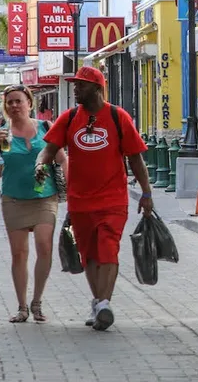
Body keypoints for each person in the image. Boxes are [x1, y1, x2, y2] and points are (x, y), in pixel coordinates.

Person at [38, 66, 153, 331]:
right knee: (88, 253)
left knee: (108, 248)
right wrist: (40, 165)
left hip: (113, 199)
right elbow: (48, 150)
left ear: (97, 88)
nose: (76, 89)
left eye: (81, 85)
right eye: (75, 85)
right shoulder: (68, 118)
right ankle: (100, 302)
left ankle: (104, 304)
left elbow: (136, 158)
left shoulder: (117, 117)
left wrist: (146, 193)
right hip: (79, 200)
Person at [0, 85, 66, 324]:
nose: (14, 106)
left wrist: (72, 187)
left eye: (18, 101)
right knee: (19, 254)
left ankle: (37, 301)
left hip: (45, 197)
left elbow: (62, 158)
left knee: (44, 246)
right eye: (9, 102)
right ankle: (22, 306)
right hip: (14, 199)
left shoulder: (45, 129)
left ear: (29, 103)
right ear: (5, 107)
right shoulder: (0, 133)